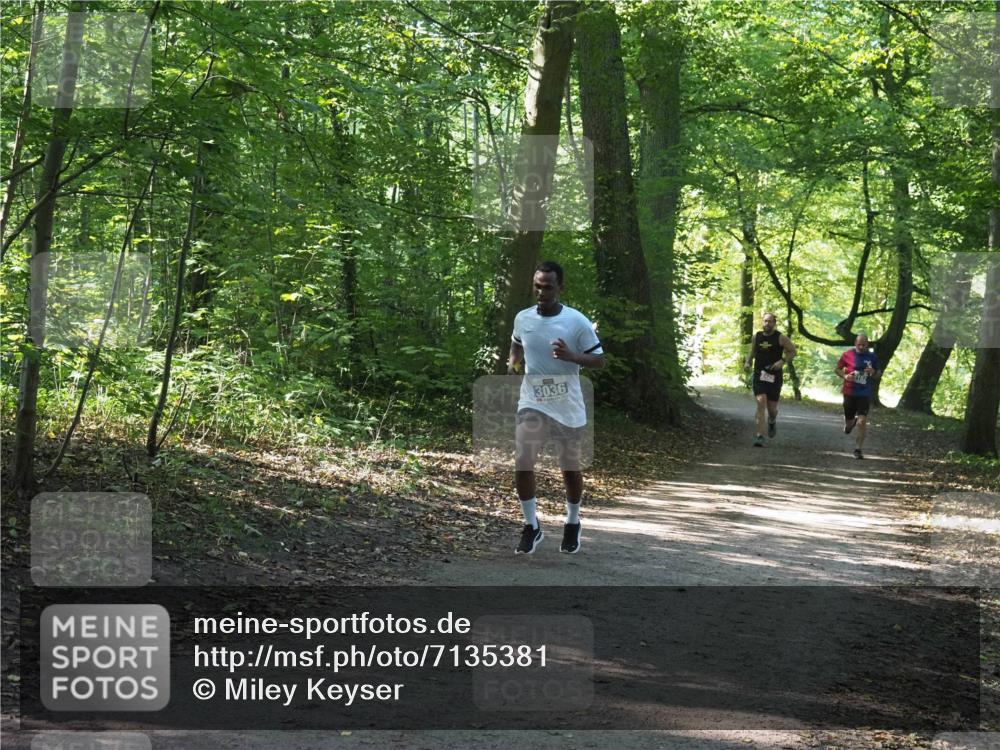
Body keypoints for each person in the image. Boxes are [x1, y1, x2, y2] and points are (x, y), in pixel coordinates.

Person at [508, 261, 604, 555]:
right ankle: (531, 526)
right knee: (523, 460)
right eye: (537, 285)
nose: (541, 292)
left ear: (560, 287)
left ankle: (573, 522)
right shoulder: (523, 318)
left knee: (569, 468)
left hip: (567, 404)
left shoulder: (577, 322)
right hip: (533, 401)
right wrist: (513, 363)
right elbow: (516, 344)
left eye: (548, 286)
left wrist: (572, 355)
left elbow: (598, 360)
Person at [744, 312, 796, 447]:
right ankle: (759, 435)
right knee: (761, 403)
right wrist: (748, 363)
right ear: (763, 322)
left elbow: (792, 351)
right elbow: (753, 351)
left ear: (774, 323)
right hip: (759, 375)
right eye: (765, 321)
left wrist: (782, 361)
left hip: (774, 376)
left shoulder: (780, 338)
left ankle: (772, 421)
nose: (767, 324)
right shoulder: (757, 336)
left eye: (770, 321)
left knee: (772, 409)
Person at [836, 334, 880, 459]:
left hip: (864, 393)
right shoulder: (847, 355)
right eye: (859, 344)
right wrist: (845, 376)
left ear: (868, 344)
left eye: (864, 345)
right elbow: (837, 369)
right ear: (855, 342)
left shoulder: (872, 357)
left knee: (862, 422)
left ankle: (858, 449)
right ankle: (849, 425)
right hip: (849, 392)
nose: (861, 347)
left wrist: (873, 372)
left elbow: (878, 375)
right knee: (849, 423)